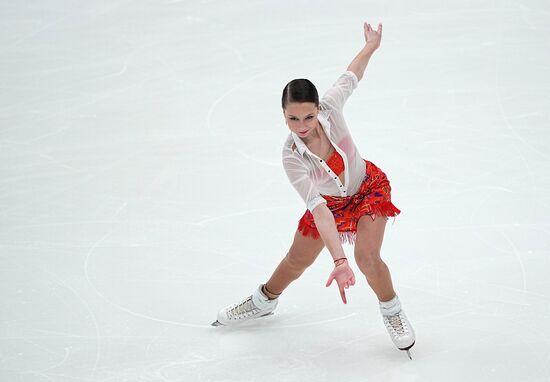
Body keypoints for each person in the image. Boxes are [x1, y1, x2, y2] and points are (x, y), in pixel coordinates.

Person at [212, 21, 416, 358]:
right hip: (330, 207)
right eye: (293, 119)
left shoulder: (332, 108)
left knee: (366, 257)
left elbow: (352, 75)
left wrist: (370, 47)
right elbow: (320, 210)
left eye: (308, 116)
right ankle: (264, 300)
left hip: (368, 190)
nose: (302, 126)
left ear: (318, 108)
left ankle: (392, 310)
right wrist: (338, 260)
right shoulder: (291, 157)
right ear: (284, 116)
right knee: (295, 259)